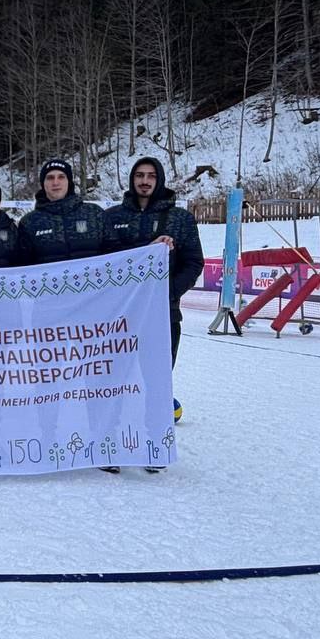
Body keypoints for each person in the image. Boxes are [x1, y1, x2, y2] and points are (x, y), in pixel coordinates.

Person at [103, 156, 204, 445]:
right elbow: (106, 261)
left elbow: (193, 262)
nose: (144, 181)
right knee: (113, 380)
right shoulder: (112, 218)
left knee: (157, 381)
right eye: (139, 175)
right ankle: (110, 442)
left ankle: (154, 443)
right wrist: (146, 249)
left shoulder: (180, 219)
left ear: (159, 179)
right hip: (119, 317)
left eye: (150, 175)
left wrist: (168, 294)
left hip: (163, 315)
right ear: (131, 179)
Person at [16, 158, 105, 265]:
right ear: (43, 183)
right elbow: (22, 267)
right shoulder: (29, 222)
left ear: (69, 182)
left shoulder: (95, 213)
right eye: (50, 178)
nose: (56, 182)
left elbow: (116, 256)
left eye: (61, 177)